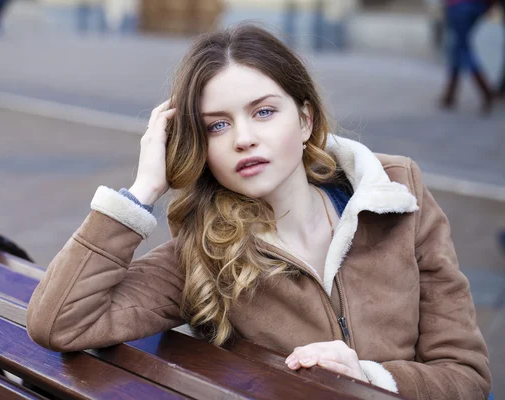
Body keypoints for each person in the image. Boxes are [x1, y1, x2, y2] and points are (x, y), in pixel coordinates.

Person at [26, 25, 491, 400]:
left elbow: (465, 376)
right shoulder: (204, 251)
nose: (243, 138)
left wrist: (371, 378)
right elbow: (60, 321)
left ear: (305, 119)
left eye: (264, 112)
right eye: (218, 125)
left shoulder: (395, 197)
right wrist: (143, 190)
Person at [440, 0, 495, 114]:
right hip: (476, 6)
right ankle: (450, 95)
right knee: (457, 47)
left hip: (459, 6)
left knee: (462, 48)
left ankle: (486, 92)